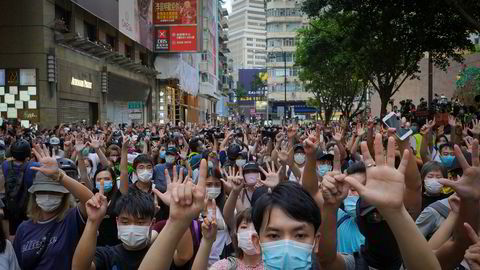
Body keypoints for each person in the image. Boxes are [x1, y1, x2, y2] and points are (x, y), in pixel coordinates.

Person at [13, 145, 93, 270]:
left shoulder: (71, 219)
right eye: (43, 192)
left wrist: (59, 176)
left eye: (54, 192)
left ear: (64, 195)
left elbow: (90, 200)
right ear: (34, 195)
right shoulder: (23, 229)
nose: (48, 196)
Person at [72, 189, 155, 270]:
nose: (132, 228)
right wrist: (93, 221)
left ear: (152, 223)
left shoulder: (160, 255)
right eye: (125, 222)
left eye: (140, 222)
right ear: (117, 222)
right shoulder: (107, 255)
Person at [2, 139, 40, 237]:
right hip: (28, 207)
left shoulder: (5, 165)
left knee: (12, 232)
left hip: (10, 205)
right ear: (28, 153)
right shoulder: (34, 166)